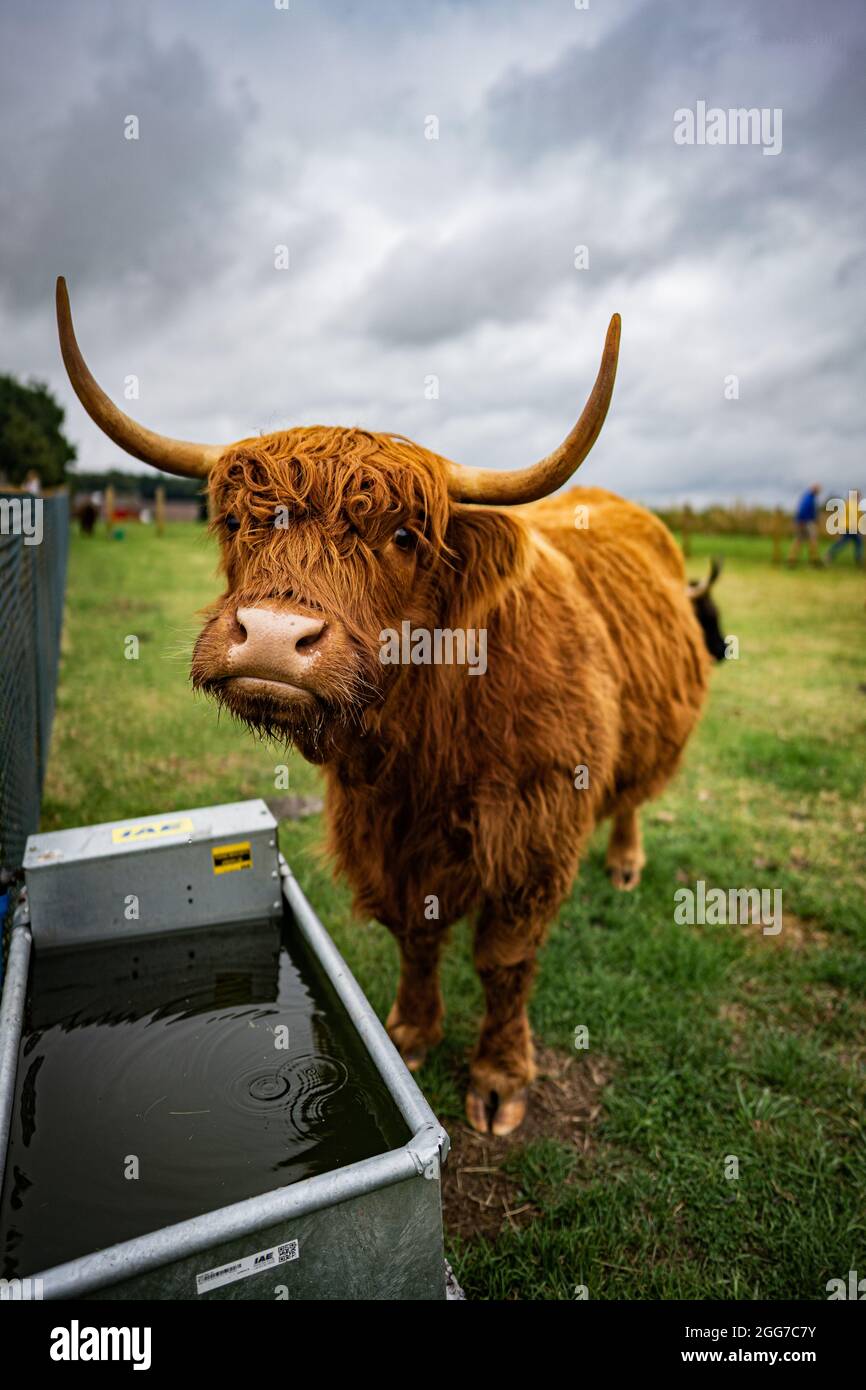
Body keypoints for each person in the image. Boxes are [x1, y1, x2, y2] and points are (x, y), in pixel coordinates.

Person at [824, 489, 864, 566]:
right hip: (850, 528)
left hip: (848, 528)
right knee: (852, 543)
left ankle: (829, 554)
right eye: (858, 496)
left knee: (848, 543)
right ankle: (859, 560)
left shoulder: (847, 504)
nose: (859, 497)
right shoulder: (852, 505)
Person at [787, 483, 822, 566]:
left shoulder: (808, 497)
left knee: (799, 540)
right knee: (812, 541)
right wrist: (803, 521)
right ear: (814, 490)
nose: (819, 492)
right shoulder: (809, 498)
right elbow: (804, 510)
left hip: (803, 522)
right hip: (806, 522)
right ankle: (814, 560)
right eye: (818, 490)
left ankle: (791, 559)